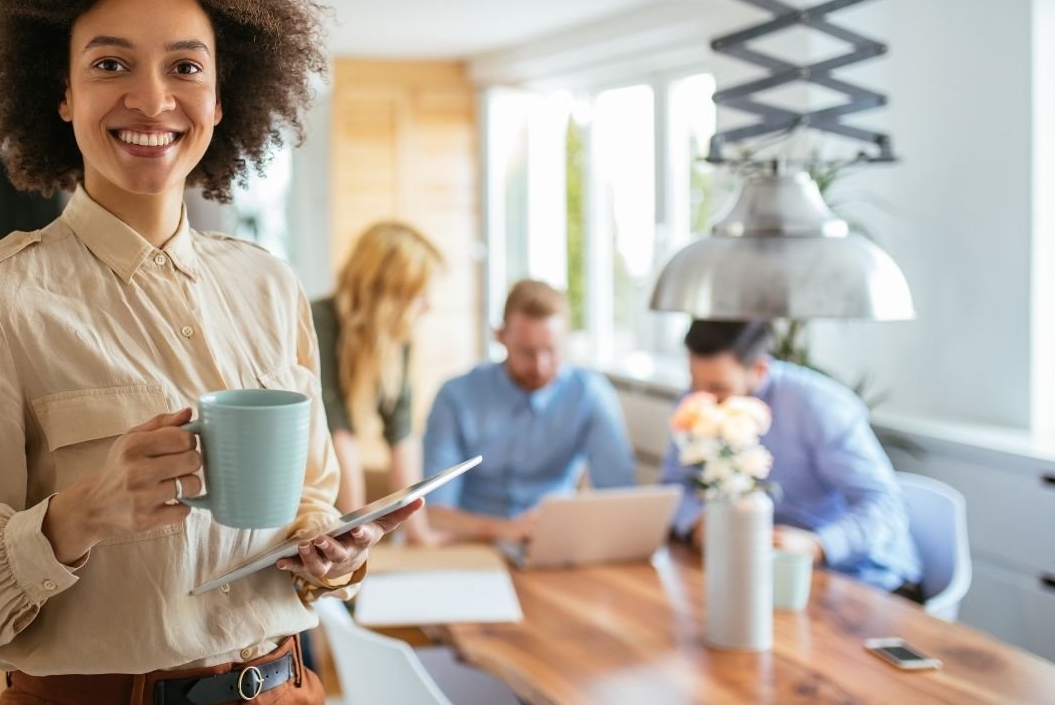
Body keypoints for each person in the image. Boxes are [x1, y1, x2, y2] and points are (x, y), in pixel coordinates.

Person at [0, 0, 417, 705]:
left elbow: (311, 498)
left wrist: (332, 550)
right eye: (111, 62)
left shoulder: (271, 288)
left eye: (186, 67)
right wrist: (76, 516)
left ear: (222, 92)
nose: (153, 98)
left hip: (286, 699)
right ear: (59, 91)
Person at [660, 320, 922, 596]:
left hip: (862, 578)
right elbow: (674, 483)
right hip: (762, 569)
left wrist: (818, 546)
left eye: (719, 387)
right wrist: (697, 521)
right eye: (694, 381)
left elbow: (888, 506)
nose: (703, 398)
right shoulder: (697, 401)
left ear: (760, 368)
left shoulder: (820, 405)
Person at [422, 279, 635, 544]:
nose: (540, 366)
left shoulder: (591, 394)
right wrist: (505, 529)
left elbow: (619, 496)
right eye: (527, 352)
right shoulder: (455, 397)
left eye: (551, 351)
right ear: (500, 336)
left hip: (553, 543)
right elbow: (434, 514)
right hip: (471, 545)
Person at [312, 221, 442, 540]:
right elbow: (337, 435)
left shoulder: (396, 338)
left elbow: (403, 434)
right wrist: (354, 540)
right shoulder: (318, 321)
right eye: (420, 292)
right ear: (388, 292)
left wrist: (419, 533)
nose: (429, 304)